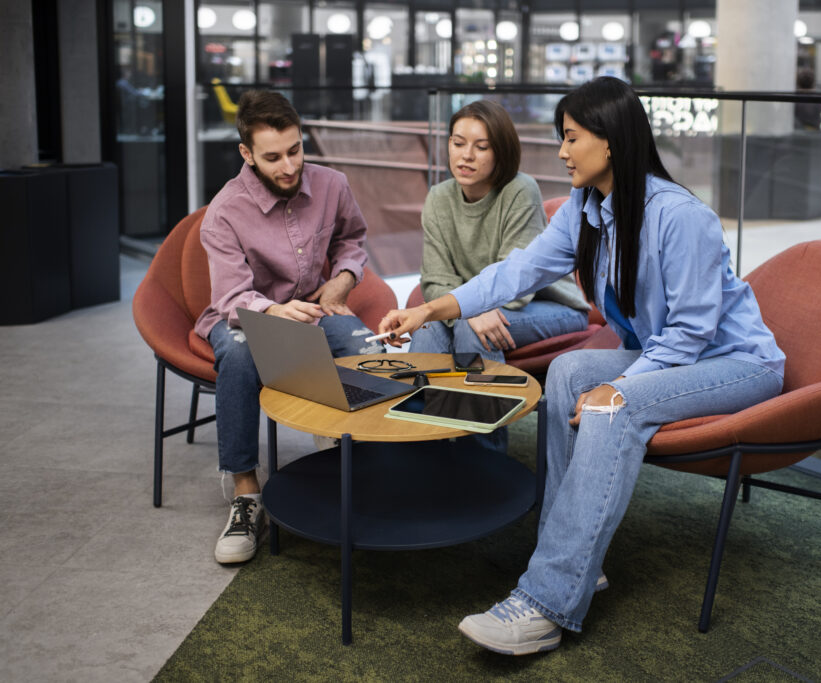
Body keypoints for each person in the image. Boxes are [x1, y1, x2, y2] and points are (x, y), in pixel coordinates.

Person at [377, 77, 786, 655]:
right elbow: (516, 272)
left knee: (613, 408)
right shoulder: (586, 208)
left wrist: (619, 386)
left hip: (738, 362)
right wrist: (429, 309)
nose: (562, 152)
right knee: (568, 372)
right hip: (668, 354)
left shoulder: (680, 217)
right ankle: (573, 562)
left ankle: (546, 603)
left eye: (571, 139)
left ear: (611, 142)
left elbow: (692, 334)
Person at [194, 90, 382, 564]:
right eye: (273, 157)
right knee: (238, 355)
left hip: (315, 307)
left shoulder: (333, 184)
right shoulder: (224, 212)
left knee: (367, 351)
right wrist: (276, 312)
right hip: (244, 315)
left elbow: (352, 239)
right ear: (247, 154)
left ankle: (364, 466)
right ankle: (245, 495)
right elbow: (231, 296)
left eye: (295, 150)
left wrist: (342, 279)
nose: (288, 166)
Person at [412, 99, 590, 365]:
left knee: (468, 327)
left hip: (552, 307)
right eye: (458, 143)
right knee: (428, 328)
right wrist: (468, 309)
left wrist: (468, 310)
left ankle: (491, 406)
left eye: (481, 147)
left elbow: (517, 283)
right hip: (478, 303)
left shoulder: (520, 190)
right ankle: (418, 407)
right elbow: (435, 281)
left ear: (501, 151)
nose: (466, 155)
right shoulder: (438, 198)